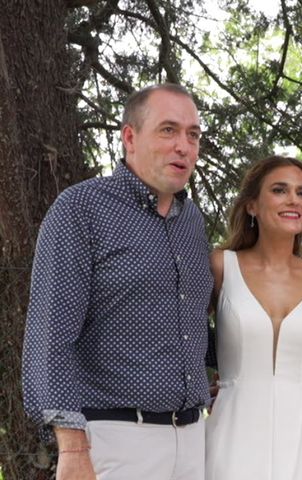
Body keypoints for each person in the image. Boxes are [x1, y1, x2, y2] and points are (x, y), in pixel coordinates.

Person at [22, 83, 215, 480]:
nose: (184, 146)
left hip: (196, 442)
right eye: (168, 130)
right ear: (130, 137)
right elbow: (50, 336)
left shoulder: (193, 222)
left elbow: (193, 330)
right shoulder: (81, 209)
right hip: (114, 442)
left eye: (192, 135)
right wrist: (72, 447)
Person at [205, 155, 302, 479]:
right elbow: (185, 336)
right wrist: (204, 386)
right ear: (252, 205)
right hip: (233, 432)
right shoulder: (221, 266)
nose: (294, 200)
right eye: (280, 190)